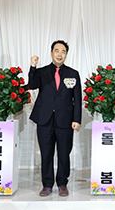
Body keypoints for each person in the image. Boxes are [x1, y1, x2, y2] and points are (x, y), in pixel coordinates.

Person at [29, 40, 82, 197]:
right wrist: (33, 67)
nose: (60, 54)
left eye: (63, 51)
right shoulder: (42, 72)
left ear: (66, 54)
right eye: (57, 51)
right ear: (51, 53)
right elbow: (32, 85)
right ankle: (47, 184)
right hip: (44, 119)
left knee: (64, 153)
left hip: (65, 119)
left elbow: (77, 99)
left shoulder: (73, 74)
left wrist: (77, 119)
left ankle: (62, 183)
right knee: (46, 153)